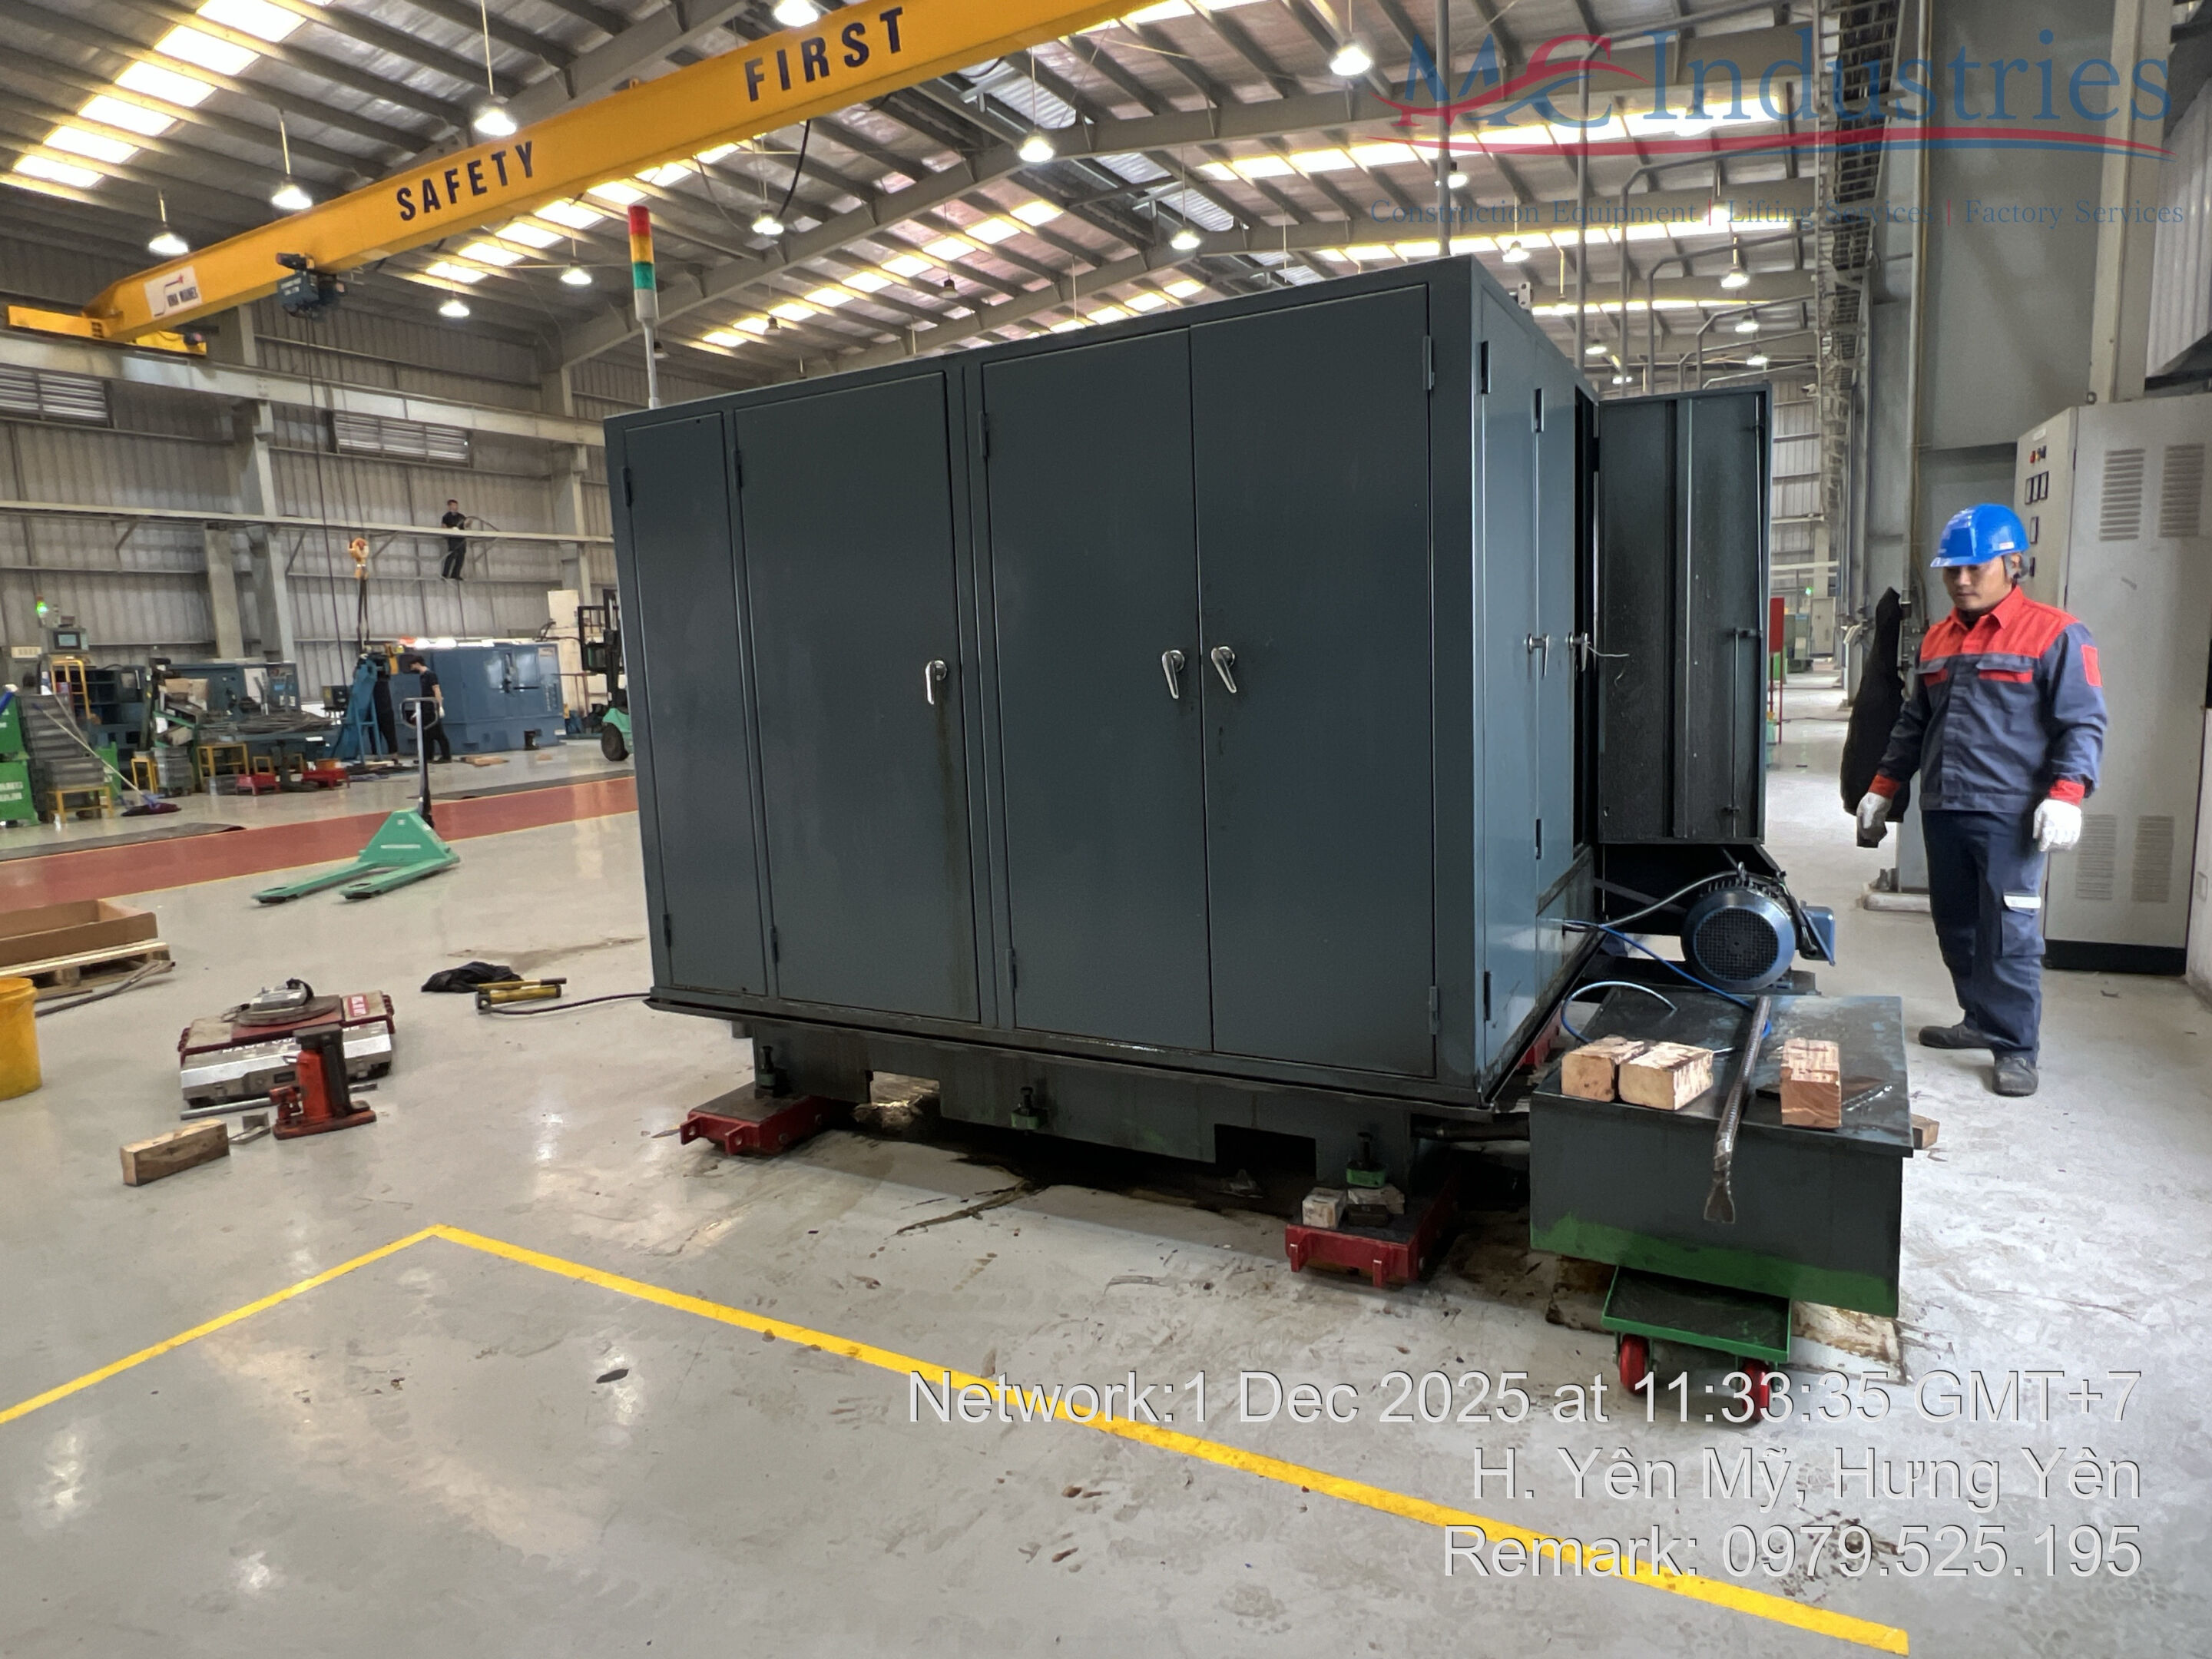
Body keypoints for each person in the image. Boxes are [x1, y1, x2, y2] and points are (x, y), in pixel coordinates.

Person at [1853, 503, 2107, 1098]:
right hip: (1945, 809)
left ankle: (2015, 1047)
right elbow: (1915, 722)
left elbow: (2083, 722)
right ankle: (1978, 1019)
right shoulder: (1938, 640)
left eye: (1976, 568)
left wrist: (2068, 794)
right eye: (1952, 570)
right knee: (1957, 925)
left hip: (2011, 815)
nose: (1962, 581)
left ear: (2013, 565)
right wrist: (1883, 787)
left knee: (2009, 935)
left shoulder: (2057, 634)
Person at [400, 652, 452, 763]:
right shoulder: (422, 676)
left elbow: (436, 690)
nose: (412, 668)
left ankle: (446, 756)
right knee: (426, 733)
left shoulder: (430, 675)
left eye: (412, 666)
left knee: (438, 733)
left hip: (432, 706)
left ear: (417, 664)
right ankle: (428, 757)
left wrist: (440, 706)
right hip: (425, 706)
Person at [440, 499, 468, 581]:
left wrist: (469, 523)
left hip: (461, 538)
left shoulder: (461, 516)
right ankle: (445, 574)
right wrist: (450, 530)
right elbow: (443, 527)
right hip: (453, 538)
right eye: (454, 505)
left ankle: (456, 574)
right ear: (449, 506)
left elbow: (465, 525)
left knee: (461, 556)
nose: (455, 507)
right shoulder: (446, 517)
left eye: (456, 505)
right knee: (451, 555)